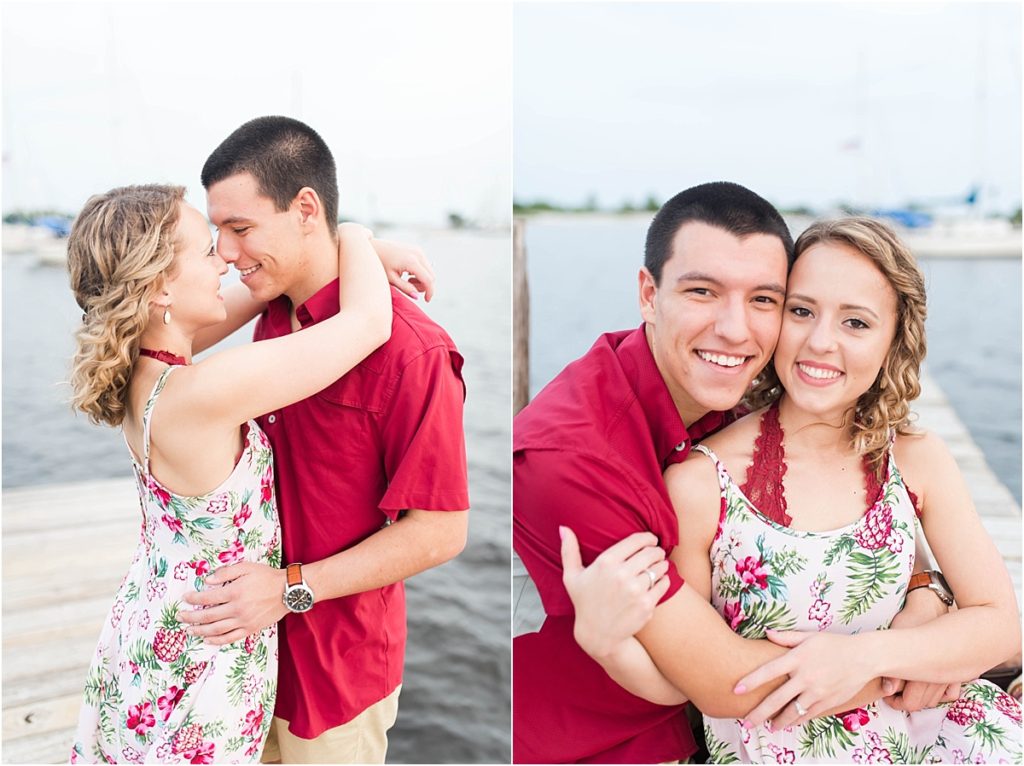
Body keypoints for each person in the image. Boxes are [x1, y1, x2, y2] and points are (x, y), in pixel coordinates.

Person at [513, 183, 954, 764]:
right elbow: (722, 681)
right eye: (702, 291)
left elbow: (877, 532)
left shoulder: (738, 391)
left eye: (766, 300)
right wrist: (911, 665)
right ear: (649, 295)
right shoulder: (570, 462)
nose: (735, 329)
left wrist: (928, 593)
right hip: (607, 741)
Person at [66, 182, 425, 762]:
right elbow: (366, 326)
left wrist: (314, 256)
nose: (225, 261)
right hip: (203, 654)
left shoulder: (142, 367)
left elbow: (254, 295)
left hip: (159, 627)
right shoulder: (201, 393)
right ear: (159, 285)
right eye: (208, 250)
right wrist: (354, 235)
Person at [173, 116, 470, 764]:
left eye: (241, 228)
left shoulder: (412, 351)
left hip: (337, 671)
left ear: (305, 208)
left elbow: (441, 531)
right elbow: (157, 339)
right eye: (217, 229)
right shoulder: (271, 308)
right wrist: (353, 241)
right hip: (243, 654)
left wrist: (287, 589)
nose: (224, 251)